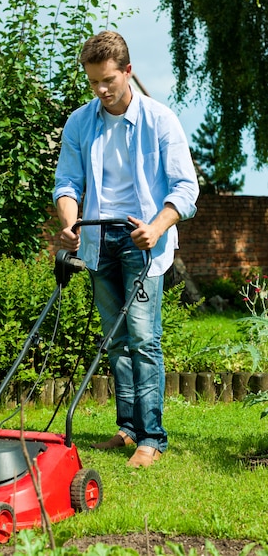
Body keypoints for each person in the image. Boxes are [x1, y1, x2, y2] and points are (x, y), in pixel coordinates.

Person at [53, 31, 199, 468]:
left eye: (108, 81)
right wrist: (68, 222)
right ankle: (127, 428)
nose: (100, 90)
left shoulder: (160, 120)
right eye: (93, 81)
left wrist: (156, 227)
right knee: (114, 341)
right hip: (97, 238)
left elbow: (186, 188)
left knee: (143, 338)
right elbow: (67, 182)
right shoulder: (80, 122)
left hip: (142, 239)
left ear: (128, 72)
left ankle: (152, 437)